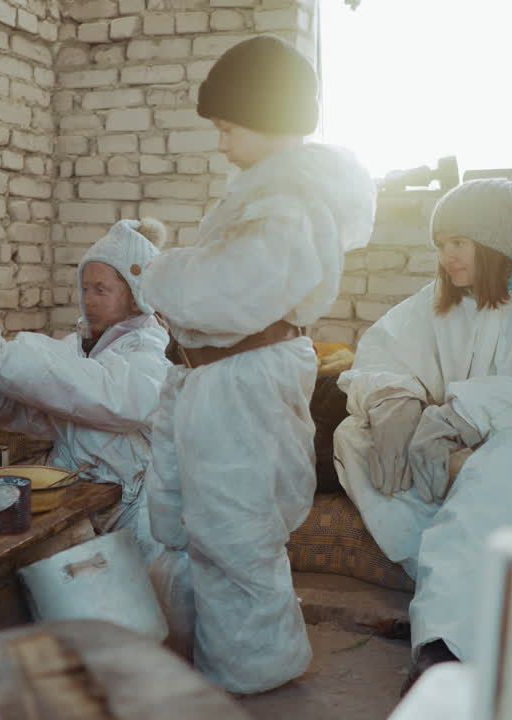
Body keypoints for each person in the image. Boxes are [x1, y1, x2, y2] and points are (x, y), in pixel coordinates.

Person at [138, 35, 378, 694]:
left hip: (242, 378)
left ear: (268, 119)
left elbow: (230, 292)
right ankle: (211, 659)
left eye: (227, 127)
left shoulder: (287, 202)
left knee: (234, 530)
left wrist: (159, 269)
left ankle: (253, 673)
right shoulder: (270, 195)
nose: (220, 143)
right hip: (223, 378)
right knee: (205, 525)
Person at [333, 179, 512, 693]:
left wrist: (467, 412)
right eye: (440, 244)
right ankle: (457, 570)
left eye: (459, 242)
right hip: (443, 442)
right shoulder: (442, 298)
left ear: (492, 241)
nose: (446, 256)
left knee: (504, 461)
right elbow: (379, 355)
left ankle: (447, 652)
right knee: (353, 435)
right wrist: (393, 400)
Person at [0, 218, 172, 565]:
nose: (88, 300)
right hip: (82, 497)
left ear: (136, 298)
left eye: (101, 290)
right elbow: (35, 414)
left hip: (138, 510)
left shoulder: (150, 353)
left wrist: (1, 357)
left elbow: (109, 398)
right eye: (85, 288)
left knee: (144, 606)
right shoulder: (77, 349)